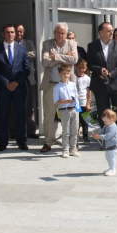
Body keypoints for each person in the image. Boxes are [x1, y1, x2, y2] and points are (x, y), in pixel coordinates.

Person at [87, 22, 117, 152]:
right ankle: (106, 141)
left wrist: (112, 73)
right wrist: (99, 70)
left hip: (116, 83)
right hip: (100, 84)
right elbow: (90, 64)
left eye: (111, 31)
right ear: (100, 32)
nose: (111, 33)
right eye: (108, 31)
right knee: (104, 113)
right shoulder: (92, 46)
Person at [0, 24, 30, 151]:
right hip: (3, 88)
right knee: (2, 115)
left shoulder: (22, 49)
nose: (11, 34)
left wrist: (16, 82)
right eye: (7, 32)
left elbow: (26, 69)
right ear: (3, 34)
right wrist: (7, 82)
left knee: (20, 115)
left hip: (19, 87)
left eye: (12, 32)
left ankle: (22, 141)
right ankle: (2, 142)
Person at [40, 23, 78, 153]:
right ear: (54, 32)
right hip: (51, 83)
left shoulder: (71, 44)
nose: (61, 35)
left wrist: (55, 56)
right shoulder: (47, 43)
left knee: (70, 114)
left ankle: (72, 144)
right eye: (58, 32)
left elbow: (74, 60)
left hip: (68, 84)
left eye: (63, 33)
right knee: (49, 115)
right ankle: (48, 141)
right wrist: (64, 57)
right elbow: (45, 62)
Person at [12, 24, 38, 139]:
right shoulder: (9, 45)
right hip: (13, 79)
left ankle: (31, 130)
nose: (18, 34)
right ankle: (13, 131)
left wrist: (18, 54)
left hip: (28, 79)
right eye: (16, 31)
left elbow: (33, 54)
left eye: (21, 32)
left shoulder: (28, 42)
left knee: (29, 106)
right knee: (13, 106)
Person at [53, 64, 80, 158]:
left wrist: (75, 100)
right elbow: (56, 101)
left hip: (74, 109)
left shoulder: (73, 84)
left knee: (74, 130)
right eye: (64, 73)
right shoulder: (57, 87)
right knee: (66, 131)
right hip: (64, 110)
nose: (66, 75)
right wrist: (67, 101)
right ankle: (65, 150)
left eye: (68, 73)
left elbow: (76, 95)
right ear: (59, 74)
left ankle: (73, 149)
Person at [92, 109, 117, 176]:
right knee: (107, 157)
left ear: (111, 119)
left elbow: (108, 136)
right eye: (103, 121)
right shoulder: (106, 125)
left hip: (113, 145)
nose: (104, 122)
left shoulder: (113, 126)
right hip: (107, 145)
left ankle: (113, 169)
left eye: (105, 121)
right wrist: (97, 134)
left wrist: (99, 137)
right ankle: (110, 168)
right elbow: (102, 131)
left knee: (111, 157)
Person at [75, 58, 91, 146]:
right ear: (76, 67)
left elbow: (89, 91)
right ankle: (75, 136)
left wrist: (88, 103)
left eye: (83, 68)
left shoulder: (87, 78)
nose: (82, 70)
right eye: (80, 67)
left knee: (85, 120)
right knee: (75, 120)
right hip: (75, 103)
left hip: (84, 102)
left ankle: (86, 136)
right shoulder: (73, 77)